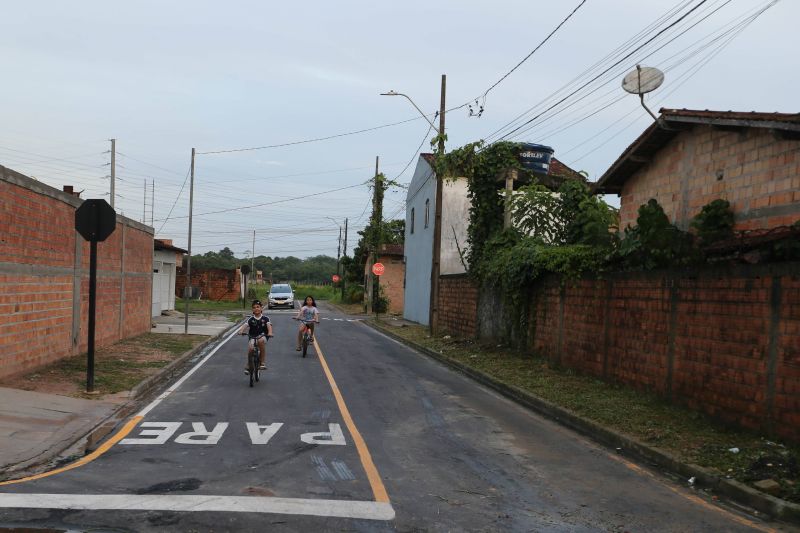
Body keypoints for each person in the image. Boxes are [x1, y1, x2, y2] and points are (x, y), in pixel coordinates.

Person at [239, 299, 273, 374]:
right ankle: (249, 364)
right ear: (252, 310)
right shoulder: (251, 319)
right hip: (252, 336)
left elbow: (269, 326)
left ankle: (262, 362)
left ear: (261, 308)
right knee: (250, 349)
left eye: (258, 307)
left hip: (263, 335)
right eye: (254, 307)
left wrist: (270, 332)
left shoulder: (265, 318)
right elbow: (245, 325)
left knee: (260, 341)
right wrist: (241, 331)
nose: (256, 309)